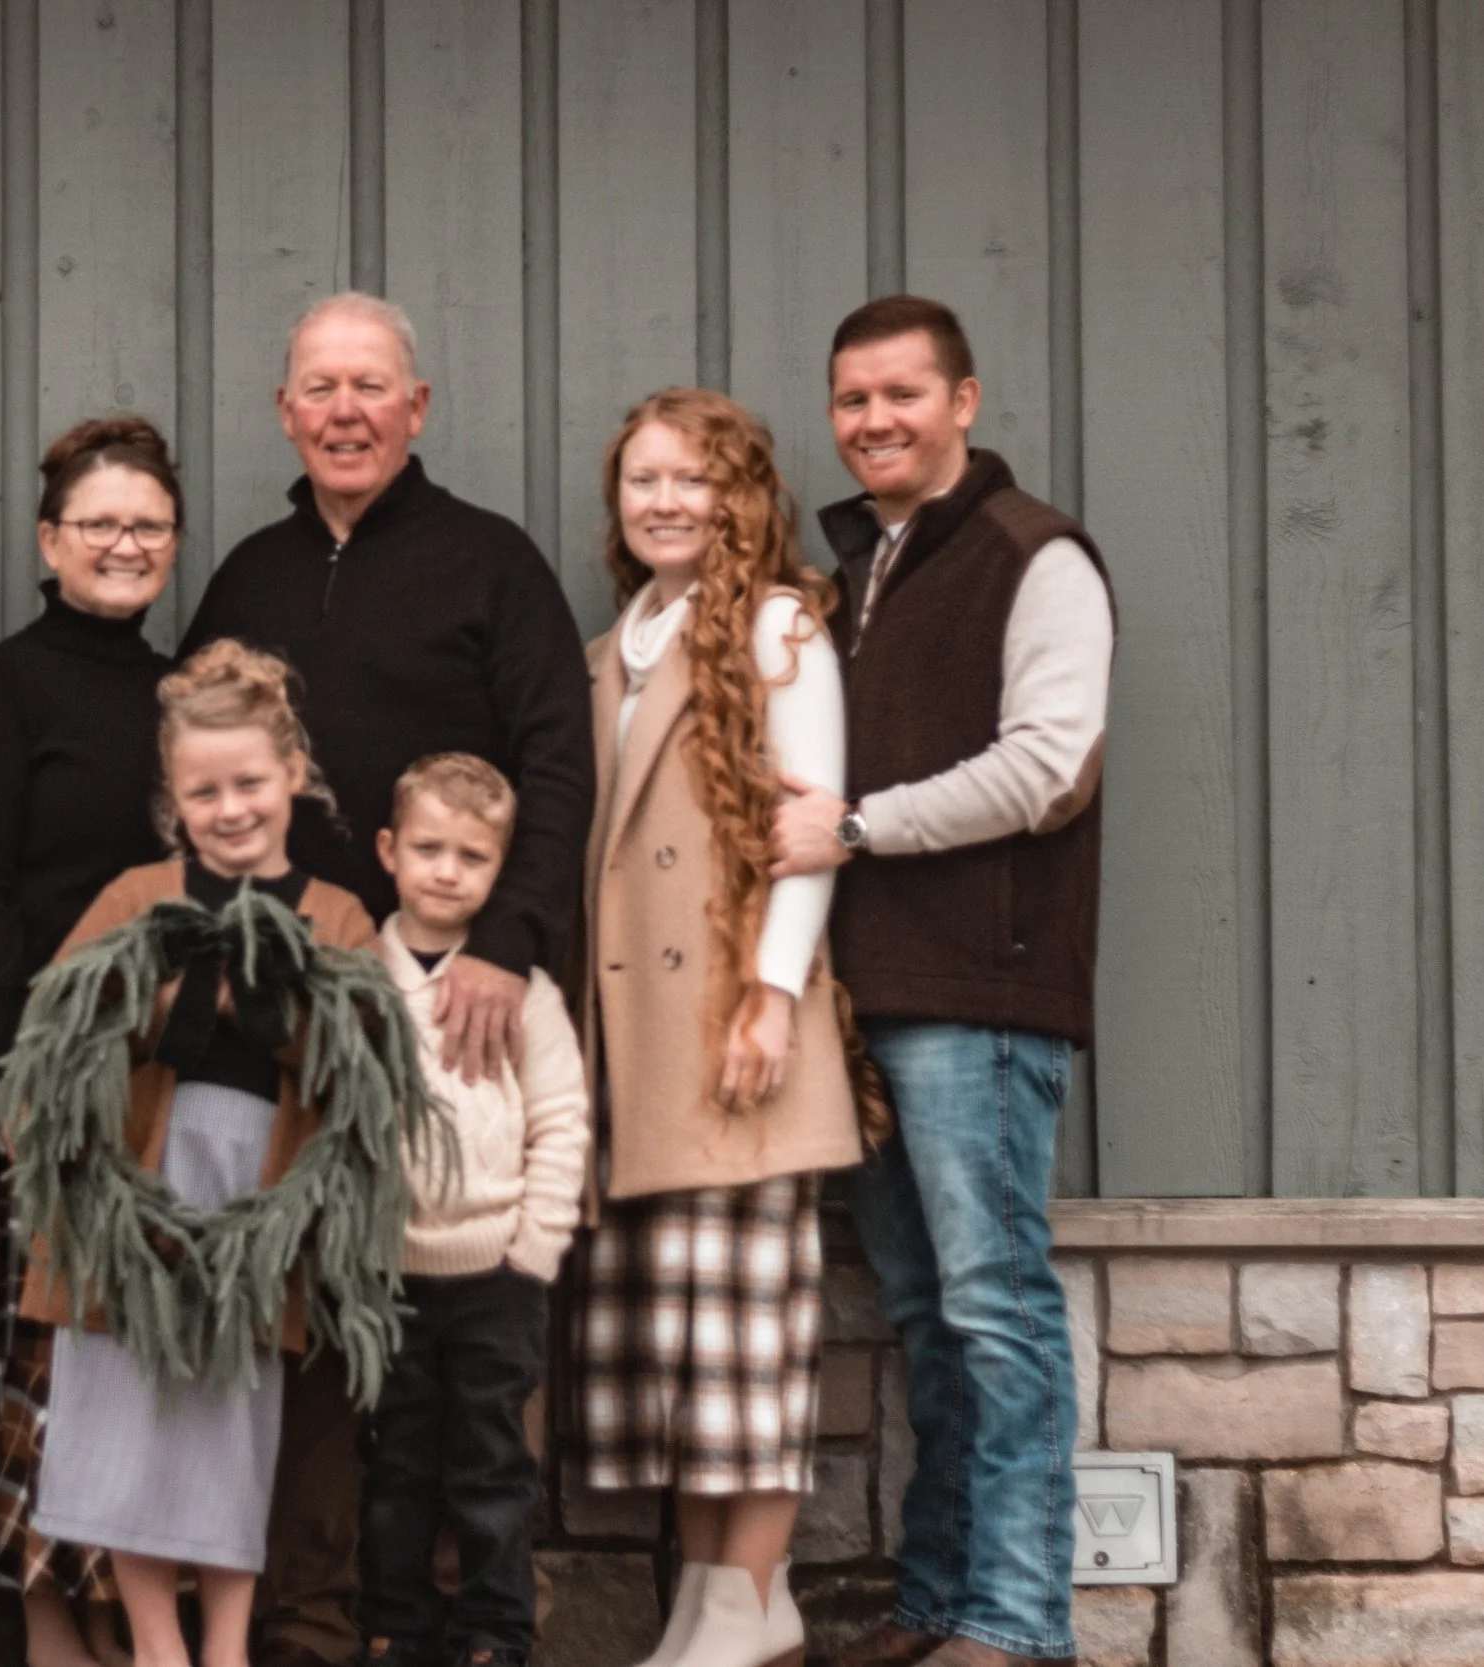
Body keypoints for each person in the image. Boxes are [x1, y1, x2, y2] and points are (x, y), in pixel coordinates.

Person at [178, 292, 593, 1667]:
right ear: (285, 412)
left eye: (371, 386)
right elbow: (204, 774)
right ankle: (320, 1613)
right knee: (318, 1327)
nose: (344, 410)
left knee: (468, 1365)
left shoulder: (491, 563)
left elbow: (555, 764)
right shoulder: (247, 574)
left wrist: (508, 943)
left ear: (417, 407)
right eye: (319, 387)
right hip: (287, 993)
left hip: (454, 989)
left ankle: (478, 1621)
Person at [772, 298, 1114, 1667]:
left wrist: (856, 825)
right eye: (853, 399)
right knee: (925, 1310)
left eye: (903, 393)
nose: (874, 421)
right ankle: (940, 1602)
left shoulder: (1036, 555)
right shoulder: (860, 573)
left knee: (994, 1301)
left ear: (965, 400)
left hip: (984, 993)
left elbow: (1050, 766)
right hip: (876, 997)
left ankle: (1020, 1621)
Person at [0, 641, 427, 1667]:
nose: (230, 808)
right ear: (172, 799)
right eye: (203, 791)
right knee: (129, 1426)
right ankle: (157, 1644)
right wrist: (191, 997)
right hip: (134, 1198)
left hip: (257, 1207)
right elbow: (60, 1037)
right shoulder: (134, 895)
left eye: (249, 783)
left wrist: (259, 997)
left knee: (228, 1432)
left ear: (294, 775)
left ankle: (224, 1643)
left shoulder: (339, 915)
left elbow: (365, 1062)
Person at [578, 389, 880, 1667]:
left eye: (690, 480)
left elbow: (810, 826)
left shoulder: (774, 625)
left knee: (746, 1326)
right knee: (682, 1340)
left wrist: (770, 988)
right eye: (642, 479)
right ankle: (720, 1600)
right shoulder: (619, 642)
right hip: (637, 1036)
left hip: (729, 1017)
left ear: (737, 494)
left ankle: (751, 1593)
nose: (662, 501)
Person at [0, 417, 188, 1666]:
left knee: (131, 1354)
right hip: (42, 1070)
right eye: (101, 524)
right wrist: (5, 1061)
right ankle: (47, 1618)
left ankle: (123, 1612)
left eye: (147, 524)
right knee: (36, 1354)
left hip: (168, 1076)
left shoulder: (187, 690)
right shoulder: (4, 683)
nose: (125, 543)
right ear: (50, 541)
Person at [357, 754, 590, 1667]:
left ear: (501, 870)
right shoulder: (358, 978)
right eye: (427, 848)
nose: (446, 870)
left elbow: (562, 1123)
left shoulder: (524, 992)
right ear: (388, 849)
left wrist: (533, 1248)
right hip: (389, 1274)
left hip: (496, 1275)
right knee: (397, 1465)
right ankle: (394, 1627)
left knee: (492, 1469)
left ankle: (496, 1634)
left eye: (471, 855)